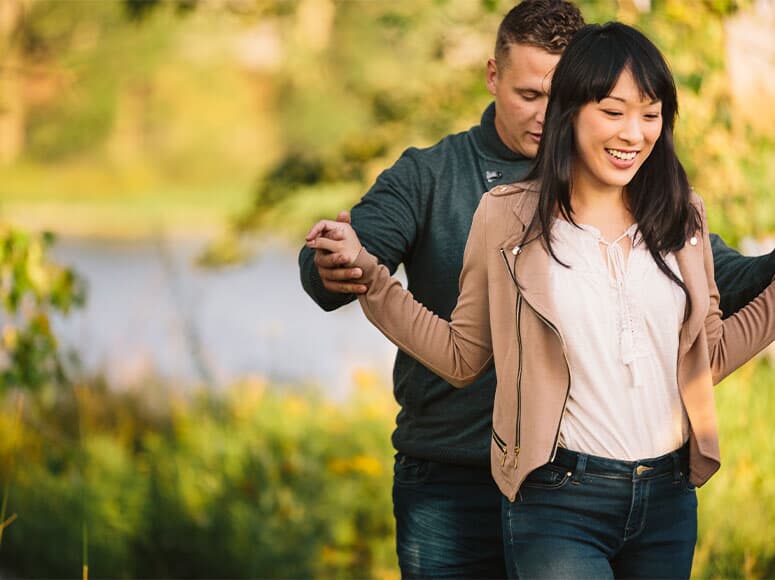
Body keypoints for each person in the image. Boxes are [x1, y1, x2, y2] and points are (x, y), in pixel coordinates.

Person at [298, 2, 775, 576]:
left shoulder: (652, 198)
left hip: (617, 483)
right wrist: (342, 267)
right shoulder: (439, 179)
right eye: (530, 95)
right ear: (494, 77)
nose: (545, 114)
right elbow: (350, 263)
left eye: (560, 97)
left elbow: (715, 304)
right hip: (459, 478)